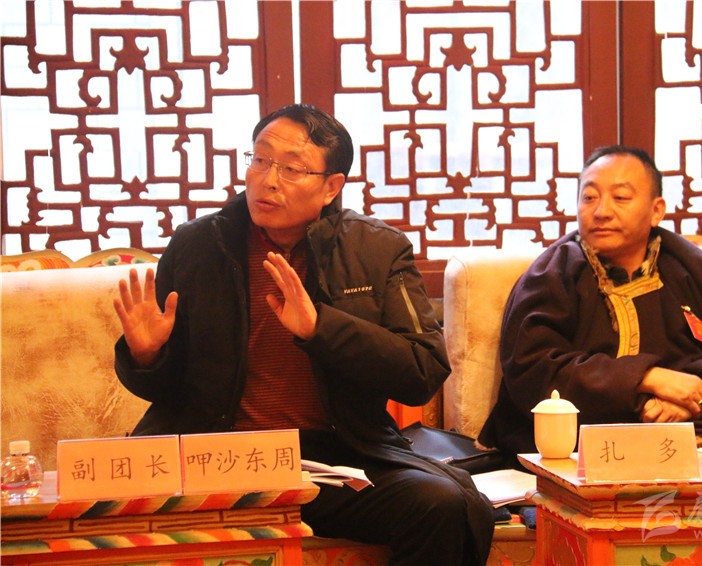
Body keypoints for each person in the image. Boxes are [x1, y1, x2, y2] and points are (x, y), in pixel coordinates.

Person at [113, 103, 494, 565]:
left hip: (333, 457)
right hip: (215, 456)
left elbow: (422, 369)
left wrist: (321, 329)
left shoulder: (377, 248)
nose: (267, 180)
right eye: (260, 159)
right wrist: (146, 356)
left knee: (442, 504)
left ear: (332, 186)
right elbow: (167, 391)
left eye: (291, 169)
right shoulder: (198, 245)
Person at [478, 145, 702, 459]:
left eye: (621, 197)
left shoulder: (696, 274)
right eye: (589, 197)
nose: (601, 211)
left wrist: (693, 399)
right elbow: (533, 371)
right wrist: (647, 379)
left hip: (693, 450)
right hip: (580, 455)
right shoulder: (552, 276)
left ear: (656, 210)